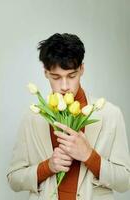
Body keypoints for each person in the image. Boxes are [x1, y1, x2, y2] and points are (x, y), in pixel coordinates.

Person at [7, 33, 130, 200]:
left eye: (71, 76)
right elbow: (14, 179)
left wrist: (89, 156)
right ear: (45, 73)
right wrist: (48, 166)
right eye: (56, 77)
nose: (65, 86)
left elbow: (124, 182)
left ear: (82, 69)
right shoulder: (32, 117)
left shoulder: (110, 114)